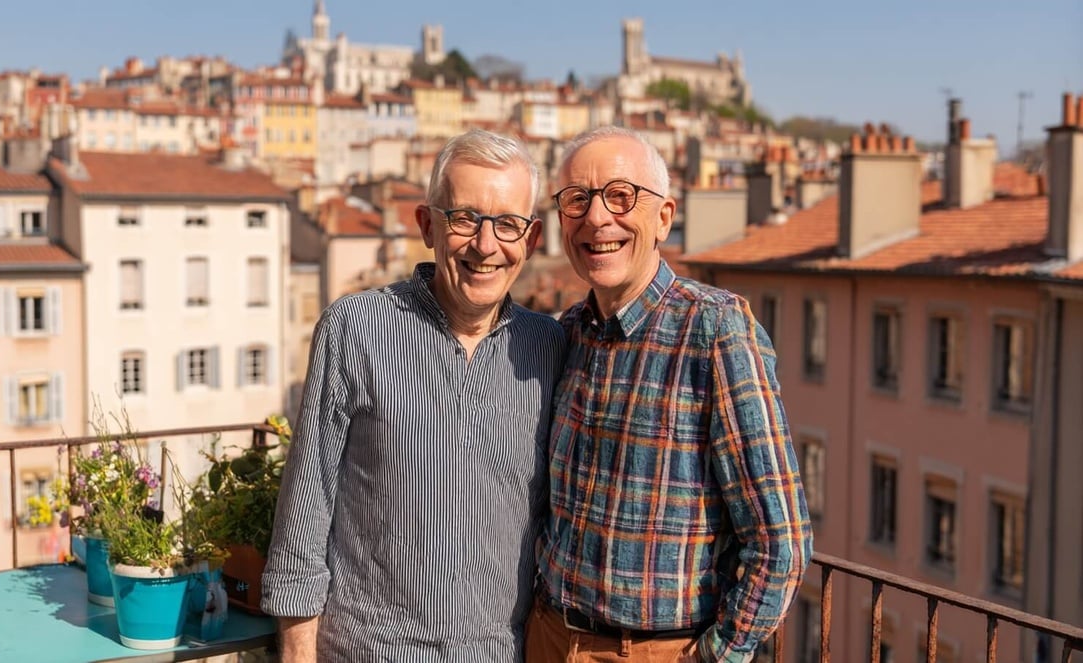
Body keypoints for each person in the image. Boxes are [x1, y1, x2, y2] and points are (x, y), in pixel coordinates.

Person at [261, 128, 565, 662]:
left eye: (507, 224)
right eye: (465, 218)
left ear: (531, 240)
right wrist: (296, 651)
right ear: (428, 225)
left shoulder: (551, 348)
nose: (486, 245)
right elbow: (305, 509)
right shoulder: (354, 328)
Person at [529, 126, 813, 663]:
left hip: (653, 651)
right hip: (546, 636)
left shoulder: (715, 330)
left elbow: (782, 543)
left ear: (664, 217)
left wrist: (716, 655)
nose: (596, 218)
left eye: (620, 196)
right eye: (577, 200)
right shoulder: (567, 333)